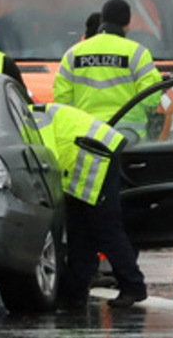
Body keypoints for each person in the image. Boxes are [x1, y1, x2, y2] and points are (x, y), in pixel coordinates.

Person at [33, 102, 147, 309]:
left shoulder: (32, 121)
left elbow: (47, 160)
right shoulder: (32, 116)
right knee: (81, 230)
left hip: (95, 155)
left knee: (104, 225)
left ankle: (133, 286)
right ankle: (74, 293)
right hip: (89, 152)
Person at [54, 0, 162, 125]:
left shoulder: (73, 54)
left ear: (102, 20)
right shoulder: (138, 53)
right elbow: (151, 100)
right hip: (129, 135)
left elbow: (62, 99)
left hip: (87, 134)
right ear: (127, 24)